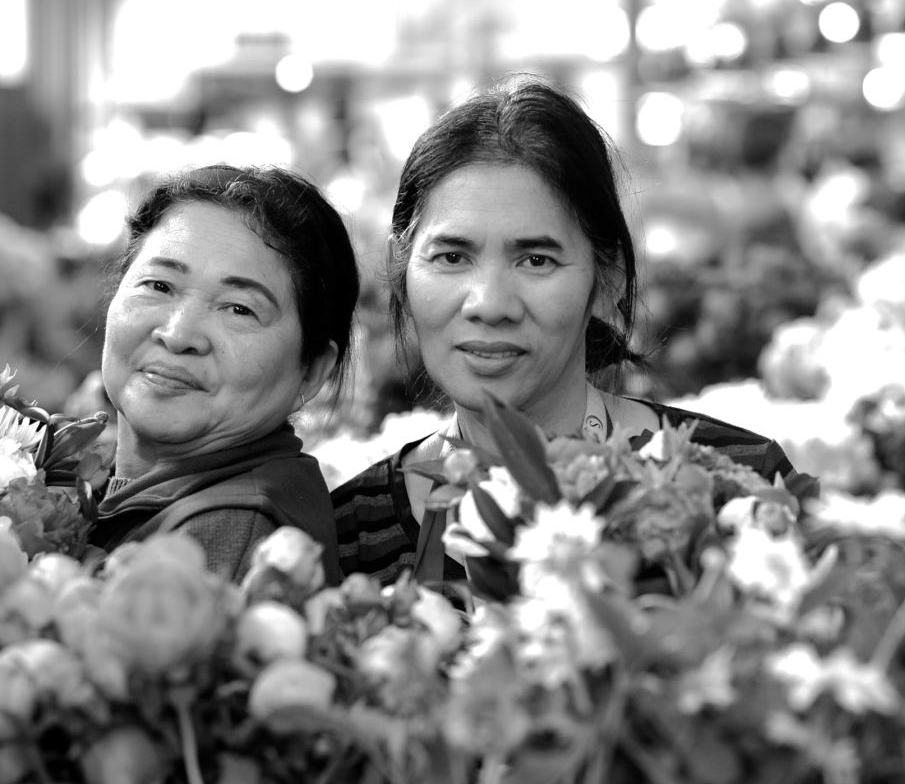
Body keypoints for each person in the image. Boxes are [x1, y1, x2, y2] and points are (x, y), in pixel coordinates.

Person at [331, 75, 795, 586]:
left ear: (609, 278)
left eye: (536, 259)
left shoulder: (741, 490)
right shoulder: (347, 535)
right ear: (401, 269)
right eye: (451, 256)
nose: (490, 304)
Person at [92, 164, 359, 584]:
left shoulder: (232, 538)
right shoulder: (84, 473)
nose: (178, 334)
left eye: (239, 309)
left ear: (312, 372)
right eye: (159, 285)